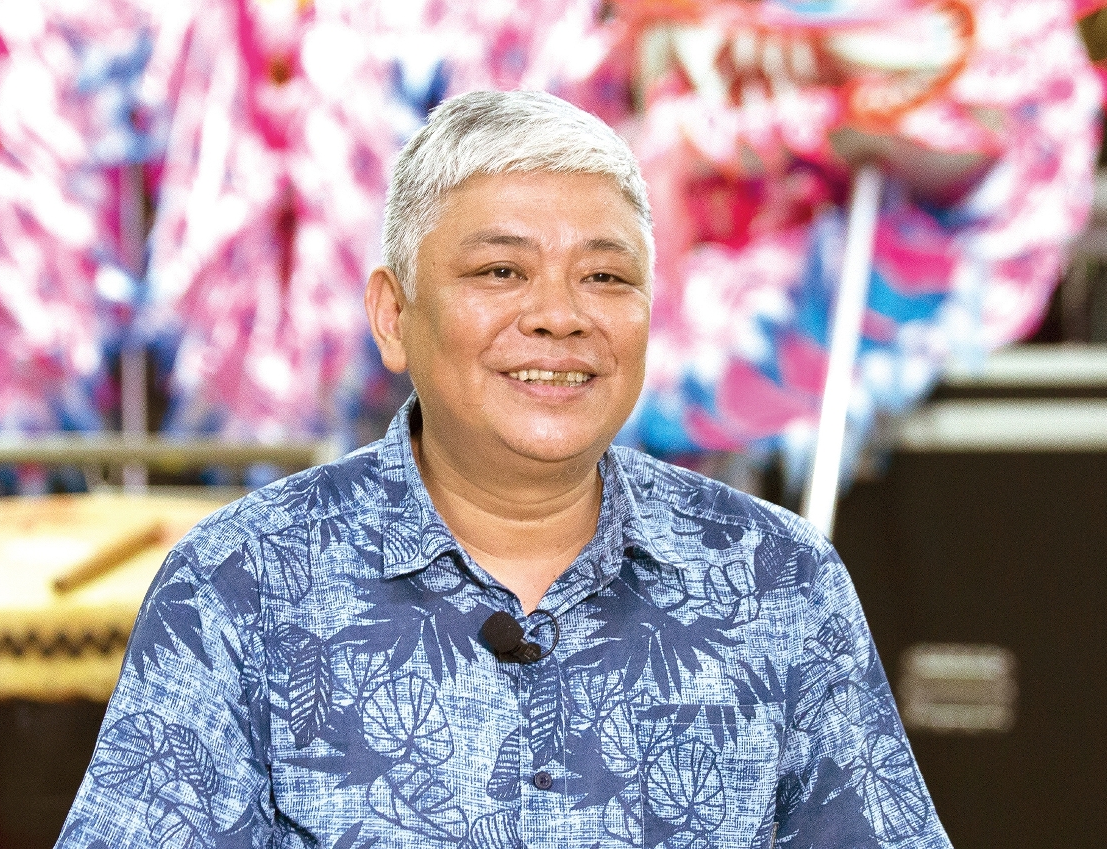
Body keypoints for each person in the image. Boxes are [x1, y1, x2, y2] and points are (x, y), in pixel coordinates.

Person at [56, 89, 952, 849]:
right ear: (394, 315)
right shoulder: (240, 585)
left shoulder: (777, 580)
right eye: (500, 271)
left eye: (606, 278)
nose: (560, 315)